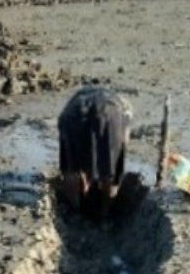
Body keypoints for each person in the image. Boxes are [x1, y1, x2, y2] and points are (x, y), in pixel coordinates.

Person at [57, 86, 145, 217]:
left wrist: (86, 173)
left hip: (73, 114)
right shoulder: (123, 109)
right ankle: (105, 214)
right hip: (109, 115)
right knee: (110, 172)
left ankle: (75, 214)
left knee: (71, 167)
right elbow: (123, 142)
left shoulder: (77, 100)